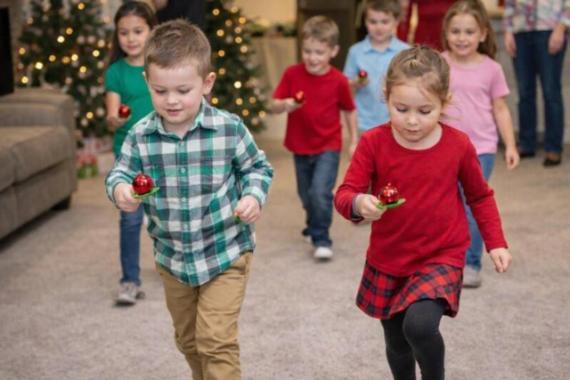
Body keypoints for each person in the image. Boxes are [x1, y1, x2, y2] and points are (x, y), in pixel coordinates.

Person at [105, 20, 273, 378]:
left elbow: (257, 168)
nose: (172, 100)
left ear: (206, 84)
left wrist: (253, 196)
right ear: (147, 83)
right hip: (173, 257)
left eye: (183, 90)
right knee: (189, 340)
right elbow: (119, 173)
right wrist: (121, 191)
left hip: (225, 251)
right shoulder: (140, 136)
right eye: (160, 90)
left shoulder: (228, 128)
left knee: (215, 340)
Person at [334, 46, 512, 379]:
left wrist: (496, 242)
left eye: (425, 110)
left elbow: (480, 196)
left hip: (441, 255)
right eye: (401, 109)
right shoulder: (373, 142)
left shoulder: (458, 145)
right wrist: (359, 203)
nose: (412, 120)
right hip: (389, 257)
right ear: (385, 97)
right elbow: (345, 194)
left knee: (419, 327)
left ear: (445, 103)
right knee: (396, 341)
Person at [441, 0, 519, 288]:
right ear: (446, 33)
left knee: (472, 203)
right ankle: (444, 257)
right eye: (456, 31)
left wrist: (510, 146)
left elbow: (500, 109)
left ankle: (470, 263)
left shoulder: (492, 69)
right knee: (446, 203)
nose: (462, 38)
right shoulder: (440, 64)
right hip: (444, 146)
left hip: (481, 148)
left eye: (469, 32)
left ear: (483, 34)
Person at [271, 15, 358, 261]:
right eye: (307, 51)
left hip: (328, 145)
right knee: (306, 194)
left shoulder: (339, 81)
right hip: (300, 146)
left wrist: (354, 140)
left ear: (333, 51)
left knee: (320, 191)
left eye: (319, 52)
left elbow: (349, 110)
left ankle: (322, 238)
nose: (312, 57)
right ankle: (313, 223)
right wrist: (284, 104)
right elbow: (274, 105)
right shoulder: (292, 74)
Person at [105, 1, 157, 305]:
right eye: (124, 32)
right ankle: (129, 280)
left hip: (161, 150)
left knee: (169, 211)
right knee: (130, 218)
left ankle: (179, 269)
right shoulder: (115, 72)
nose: (131, 38)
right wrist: (117, 119)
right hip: (130, 155)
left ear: (151, 30)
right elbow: (112, 117)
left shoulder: (159, 66)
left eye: (138, 31)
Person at [503, 0, 569, 166]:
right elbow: (509, 4)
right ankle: (526, 143)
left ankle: (553, 148)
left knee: (550, 91)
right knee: (524, 92)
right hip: (520, 31)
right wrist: (508, 31)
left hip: (549, 29)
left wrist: (561, 28)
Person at [344, 0, 409, 134]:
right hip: (363, 122)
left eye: (385, 22)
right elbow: (345, 86)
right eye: (373, 22)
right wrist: (355, 82)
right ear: (365, 22)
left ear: (396, 22)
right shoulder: (355, 51)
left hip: (396, 121)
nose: (379, 27)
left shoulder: (405, 51)